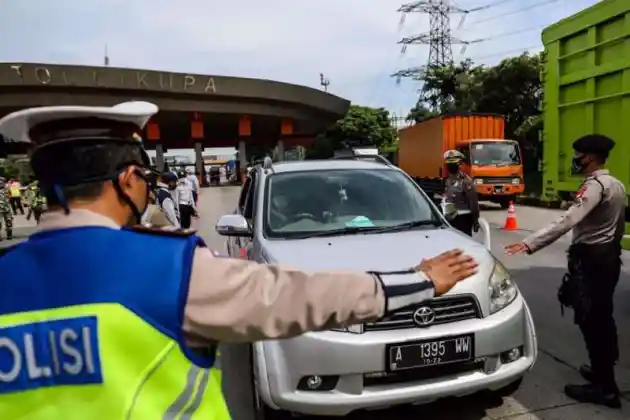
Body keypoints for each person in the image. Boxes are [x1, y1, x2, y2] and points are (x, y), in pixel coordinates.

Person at [0, 101, 477, 418]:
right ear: (127, 180)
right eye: (145, 176)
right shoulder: (169, 269)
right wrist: (418, 281)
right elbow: (296, 295)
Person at [505, 134, 626, 408]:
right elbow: (617, 227)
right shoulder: (616, 184)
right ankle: (601, 370)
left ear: (591, 157)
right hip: (608, 260)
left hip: (592, 264)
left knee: (592, 322)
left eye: (579, 155)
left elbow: (568, 220)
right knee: (602, 319)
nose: (576, 160)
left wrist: (529, 242)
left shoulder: (594, 186)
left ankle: (604, 388)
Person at [443, 149, 480, 236]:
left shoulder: (466, 182)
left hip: (463, 220)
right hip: (450, 219)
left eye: (453, 164)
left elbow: (473, 204)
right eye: (449, 164)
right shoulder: (447, 181)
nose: (451, 166)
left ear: (459, 165)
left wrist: (475, 221)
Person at [0, 176, 13, 240]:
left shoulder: (7, 189)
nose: (1, 182)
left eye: (2, 181)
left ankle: (9, 234)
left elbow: (10, 196)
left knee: (9, 221)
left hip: (7, 208)